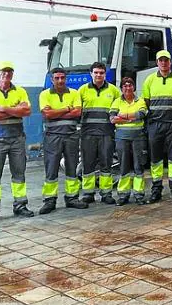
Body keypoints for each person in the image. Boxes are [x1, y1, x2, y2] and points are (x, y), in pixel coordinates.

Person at [0, 61, 34, 224]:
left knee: (19, 174)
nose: (7, 74)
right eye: (3, 72)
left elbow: (27, 111)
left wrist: (2, 108)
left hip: (17, 139)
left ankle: (20, 206)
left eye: (10, 72)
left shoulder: (20, 90)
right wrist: (14, 111)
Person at [142, 50, 172, 204]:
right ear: (157, 62)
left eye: (166, 60)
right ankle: (156, 190)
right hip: (155, 125)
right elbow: (146, 103)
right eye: (161, 60)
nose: (163, 63)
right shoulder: (149, 80)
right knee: (155, 159)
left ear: (170, 62)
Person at [38, 68, 88, 214]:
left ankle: (72, 198)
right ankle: (49, 201)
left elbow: (77, 112)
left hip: (71, 135)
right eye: (57, 78)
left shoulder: (74, 93)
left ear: (66, 79)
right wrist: (67, 108)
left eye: (62, 78)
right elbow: (47, 114)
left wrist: (56, 112)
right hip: (52, 136)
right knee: (51, 168)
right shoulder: (44, 94)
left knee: (71, 168)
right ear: (52, 80)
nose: (60, 81)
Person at [78, 62, 120, 204]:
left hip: (106, 133)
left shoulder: (114, 91)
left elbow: (120, 109)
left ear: (105, 74)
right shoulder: (82, 90)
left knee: (106, 163)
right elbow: (77, 111)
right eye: (96, 72)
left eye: (101, 73)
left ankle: (106, 193)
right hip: (87, 134)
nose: (98, 75)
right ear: (91, 74)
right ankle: (88, 194)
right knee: (87, 164)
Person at [109, 77, 148, 206]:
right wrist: (131, 118)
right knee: (124, 166)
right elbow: (113, 119)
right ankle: (123, 194)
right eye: (125, 86)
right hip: (121, 137)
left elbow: (141, 115)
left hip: (138, 137)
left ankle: (139, 194)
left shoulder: (140, 101)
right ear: (121, 88)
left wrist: (123, 116)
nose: (127, 88)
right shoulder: (116, 101)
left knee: (138, 166)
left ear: (134, 87)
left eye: (130, 85)